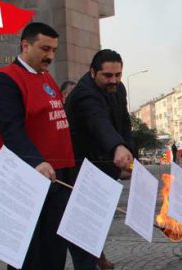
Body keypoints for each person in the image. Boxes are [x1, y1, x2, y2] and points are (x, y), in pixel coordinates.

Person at [0, 22, 75, 270]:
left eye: (54, 50)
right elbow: (10, 129)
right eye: (45, 48)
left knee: (55, 250)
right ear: (25, 45)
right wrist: (36, 161)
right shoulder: (5, 79)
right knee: (30, 255)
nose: (51, 56)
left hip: (58, 176)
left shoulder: (46, 77)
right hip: (28, 177)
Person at [64, 49, 133, 270]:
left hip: (105, 167)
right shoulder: (84, 93)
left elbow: (124, 122)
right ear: (92, 72)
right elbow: (98, 121)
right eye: (107, 76)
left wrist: (130, 152)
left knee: (97, 222)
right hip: (80, 171)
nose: (114, 81)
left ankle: (98, 257)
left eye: (118, 75)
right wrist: (117, 147)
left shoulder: (119, 88)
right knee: (82, 228)